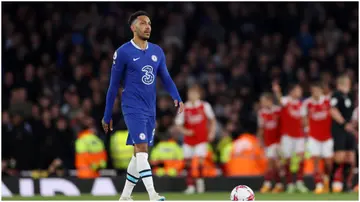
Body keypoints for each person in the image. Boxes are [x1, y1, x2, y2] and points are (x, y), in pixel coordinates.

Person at [102, 11, 184, 201]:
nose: (147, 27)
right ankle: (152, 194)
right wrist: (107, 114)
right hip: (132, 106)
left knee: (137, 153)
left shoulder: (157, 51)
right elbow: (113, 86)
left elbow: (165, 76)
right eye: (142, 23)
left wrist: (176, 96)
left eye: (149, 23)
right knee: (142, 150)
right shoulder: (123, 52)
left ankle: (125, 196)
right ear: (133, 28)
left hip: (150, 109)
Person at [174, 84, 216, 194]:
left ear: (198, 95)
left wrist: (211, 132)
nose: (192, 95)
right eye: (190, 93)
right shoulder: (184, 107)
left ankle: (200, 183)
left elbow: (212, 120)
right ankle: (190, 185)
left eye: (194, 93)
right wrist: (185, 131)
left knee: (200, 161)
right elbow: (178, 124)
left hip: (201, 139)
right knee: (188, 163)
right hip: (189, 140)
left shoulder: (204, 106)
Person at [272, 82, 308, 193]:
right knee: (287, 159)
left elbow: (303, 120)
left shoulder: (302, 104)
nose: (300, 92)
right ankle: (290, 183)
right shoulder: (286, 100)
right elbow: (279, 100)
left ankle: (300, 182)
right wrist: (277, 91)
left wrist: (306, 131)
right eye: (298, 90)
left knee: (300, 158)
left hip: (299, 136)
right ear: (292, 91)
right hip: (287, 135)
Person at [301, 82, 332, 194]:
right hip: (314, 136)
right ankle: (318, 184)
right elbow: (304, 118)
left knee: (329, 162)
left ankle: (327, 181)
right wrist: (306, 130)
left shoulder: (328, 101)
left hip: (327, 136)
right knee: (316, 162)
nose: (315, 93)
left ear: (321, 90)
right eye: (313, 90)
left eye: (317, 90)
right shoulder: (307, 103)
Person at [330, 75, 356, 193]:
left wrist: (352, 125)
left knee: (350, 157)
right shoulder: (336, 95)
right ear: (340, 84)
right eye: (346, 83)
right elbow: (332, 110)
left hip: (349, 129)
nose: (348, 85)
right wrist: (344, 124)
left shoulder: (349, 97)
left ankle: (346, 185)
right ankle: (331, 180)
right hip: (339, 129)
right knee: (339, 157)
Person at [258, 93, 283, 193]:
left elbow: (283, 125)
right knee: (274, 164)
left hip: (278, 141)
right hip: (268, 142)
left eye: (263, 101)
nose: (262, 103)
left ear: (269, 101)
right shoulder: (261, 113)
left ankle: (267, 184)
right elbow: (261, 128)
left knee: (272, 162)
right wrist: (260, 140)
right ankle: (278, 184)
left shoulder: (278, 111)